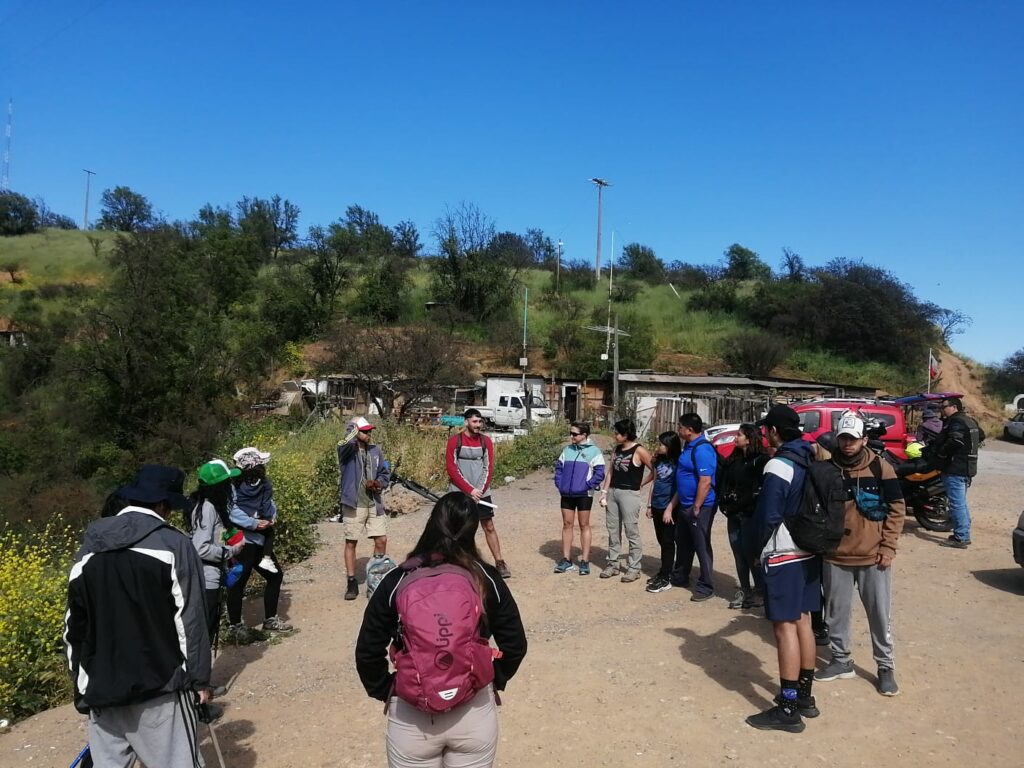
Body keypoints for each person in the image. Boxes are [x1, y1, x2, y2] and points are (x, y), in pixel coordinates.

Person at [355, 492, 527, 768]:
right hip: (473, 712)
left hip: (412, 715)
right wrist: (491, 679)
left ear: (432, 522)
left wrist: (387, 688)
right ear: (473, 530)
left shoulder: (398, 579)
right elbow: (515, 644)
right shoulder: (485, 578)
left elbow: (367, 650)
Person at [65, 465, 211, 767]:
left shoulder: (88, 551)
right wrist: (199, 681)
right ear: (161, 504)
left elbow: (73, 630)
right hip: (160, 687)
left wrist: (82, 689)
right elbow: (190, 621)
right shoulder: (174, 545)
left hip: (102, 691)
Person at [815, 411, 906, 696]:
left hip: (873, 557)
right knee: (835, 615)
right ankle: (841, 661)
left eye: (853, 438)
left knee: (879, 614)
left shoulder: (881, 468)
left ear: (864, 439)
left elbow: (897, 508)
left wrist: (888, 546)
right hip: (835, 556)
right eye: (843, 438)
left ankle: (885, 666)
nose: (847, 444)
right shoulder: (827, 470)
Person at [745, 405, 820, 733]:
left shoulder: (779, 463)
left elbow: (769, 515)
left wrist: (754, 551)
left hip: (784, 552)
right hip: (809, 549)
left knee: (784, 627)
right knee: (803, 620)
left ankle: (788, 707)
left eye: (766, 430)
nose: (763, 434)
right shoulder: (812, 455)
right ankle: (805, 696)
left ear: (775, 431)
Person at [227, 452, 292, 640]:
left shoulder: (262, 484)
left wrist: (271, 517)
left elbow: (269, 503)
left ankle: (269, 620)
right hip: (242, 541)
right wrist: (254, 523)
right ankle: (235, 627)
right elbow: (231, 510)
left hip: (259, 539)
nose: (263, 467)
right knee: (238, 582)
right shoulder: (233, 487)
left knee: (275, 576)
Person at [446, 408, 510, 578]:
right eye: (474, 421)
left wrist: (479, 490)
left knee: (488, 526)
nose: (478, 425)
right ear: (466, 422)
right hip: (460, 492)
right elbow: (452, 468)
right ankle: (458, 563)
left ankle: (499, 562)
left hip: (481, 492)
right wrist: (469, 490)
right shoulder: (454, 441)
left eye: (480, 421)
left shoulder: (486, 441)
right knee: (459, 528)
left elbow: (488, 467)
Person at [188, 459, 245, 641]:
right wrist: (232, 551)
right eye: (227, 483)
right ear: (219, 486)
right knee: (206, 632)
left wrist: (230, 538)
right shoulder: (207, 508)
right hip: (207, 579)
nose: (231, 486)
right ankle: (200, 670)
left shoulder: (210, 506)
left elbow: (214, 536)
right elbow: (201, 548)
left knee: (208, 629)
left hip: (212, 576)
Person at [337, 416, 392, 599]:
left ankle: (376, 576)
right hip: (354, 503)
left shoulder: (376, 451)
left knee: (381, 539)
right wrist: (352, 428)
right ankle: (352, 581)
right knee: (351, 541)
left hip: (373, 502)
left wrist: (378, 483)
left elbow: (385, 473)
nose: (368, 434)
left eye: (369, 431)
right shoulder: (346, 452)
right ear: (355, 431)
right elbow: (344, 443)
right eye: (364, 431)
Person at [667, 413, 719, 601]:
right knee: (683, 541)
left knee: (701, 545)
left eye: (680, 426)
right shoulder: (688, 447)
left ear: (689, 430)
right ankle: (680, 575)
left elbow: (705, 481)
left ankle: (706, 585)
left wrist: (696, 506)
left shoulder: (702, 449)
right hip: (685, 504)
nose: (678, 429)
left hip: (700, 507)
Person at [718, 423, 769, 609]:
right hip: (734, 516)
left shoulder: (761, 461)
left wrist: (737, 506)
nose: (735, 438)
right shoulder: (735, 458)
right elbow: (725, 481)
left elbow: (758, 491)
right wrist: (724, 505)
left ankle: (760, 591)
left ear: (749, 438)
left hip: (750, 516)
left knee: (752, 554)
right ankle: (745, 589)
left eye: (738, 435)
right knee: (738, 554)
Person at [598, 418, 653, 583]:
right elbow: (610, 472)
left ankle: (634, 568)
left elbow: (655, 470)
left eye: (617, 432)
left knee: (631, 531)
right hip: (613, 492)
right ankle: (613, 564)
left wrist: (640, 483)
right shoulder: (617, 449)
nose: (614, 435)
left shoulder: (639, 450)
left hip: (630, 493)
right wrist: (604, 492)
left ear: (626, 434)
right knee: (613, 530)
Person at [928, 397, 985, 548]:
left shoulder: (956, 422)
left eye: (944, 406)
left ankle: (961, 537)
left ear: (953, 407)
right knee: (960, 503)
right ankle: (963, 532)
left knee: (956, 504)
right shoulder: (969, 420)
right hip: (966, 467)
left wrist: (941, 454)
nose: (942, 409)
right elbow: (981, 435)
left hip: (955, 468)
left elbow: (956, 440)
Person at [552, 421, 605, 575]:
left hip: (584, 494)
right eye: (571, 433)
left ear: (584, 435)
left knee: (584, 525)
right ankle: (566, 559)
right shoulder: (567, 450)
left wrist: (586, 485)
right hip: (567, 493)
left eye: (574, 434)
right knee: (567, 524)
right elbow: (559, 468)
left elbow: (600, 472)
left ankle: (585, 560)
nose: (571, 436)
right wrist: (560, 484)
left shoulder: (594, 451)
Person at [645, 431, 681, 593]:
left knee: (668, 542)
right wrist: (649, 505)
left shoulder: (678, 463)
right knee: (661, 540)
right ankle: (663, 571)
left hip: (669, 508)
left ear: (670, 446)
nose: (658, 446)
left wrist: (670, 509)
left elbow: (680, 488)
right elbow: (655, 482)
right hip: (657, 505)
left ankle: (666, 577)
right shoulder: (658, 461)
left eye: (662, 444)